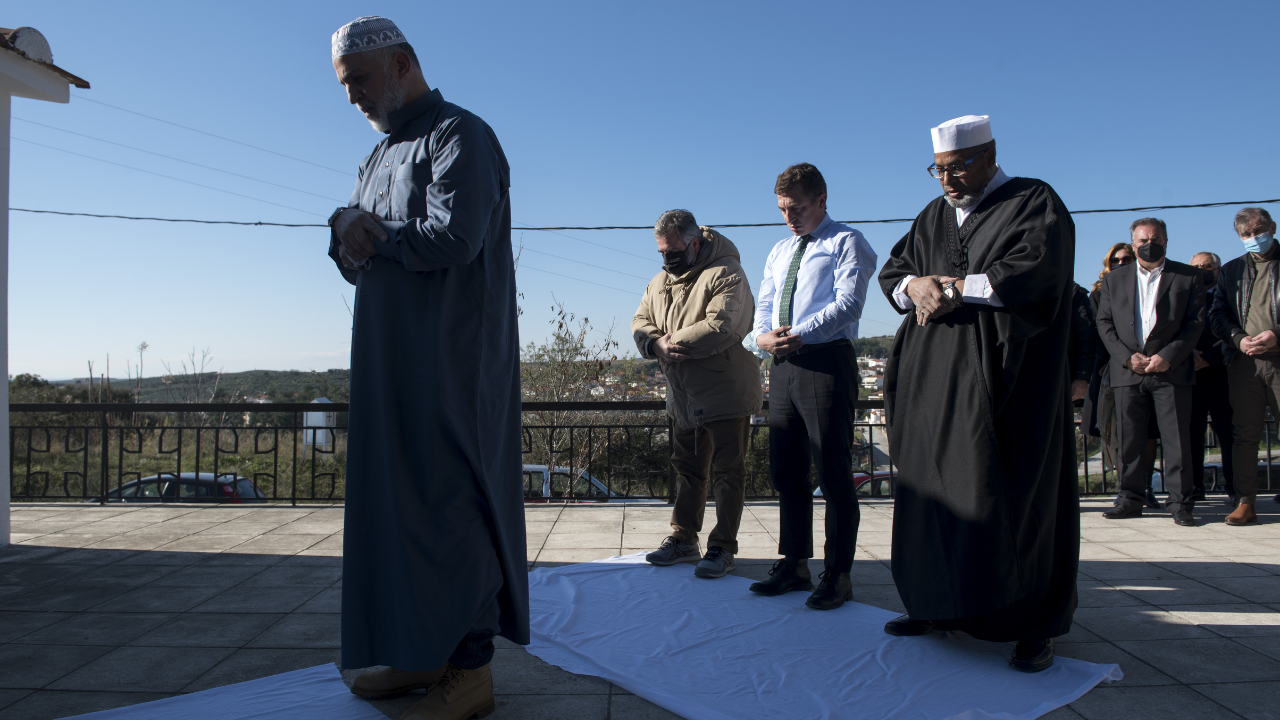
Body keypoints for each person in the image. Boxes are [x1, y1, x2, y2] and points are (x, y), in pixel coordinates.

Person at [326, 17, 526, 720]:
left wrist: (364, 232)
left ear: (403, 63)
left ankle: (469, 671)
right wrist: (341, 229)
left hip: (453, 363)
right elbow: (364, 254)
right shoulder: (379, 155)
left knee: (450, 506)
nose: (352, 98)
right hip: (393, 364)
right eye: (344, 85)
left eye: (359, 81)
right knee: (402, 508)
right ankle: (422, 652)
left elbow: (456, 237)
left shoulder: (458, 134)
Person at [877, 115, 1079, 672]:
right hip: (931, 384)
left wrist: (956, 287)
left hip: (1004, 384)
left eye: (958, 167)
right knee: (931, 495)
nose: (946, 180)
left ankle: (1030, 626)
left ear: (989, 155)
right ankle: (936, 605)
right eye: (937, 170)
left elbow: (1036, 272)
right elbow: (896, 273)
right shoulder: (932, 215)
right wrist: (915, 285)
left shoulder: (1033, 202)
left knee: (1009, 498)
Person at [749, 163, 877, 611]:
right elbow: (764, 304)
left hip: (825, 362)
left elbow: (849, 304)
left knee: (834, 474)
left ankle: (838, 574)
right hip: (782, 365)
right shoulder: (779, 250)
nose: (789, 217)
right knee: (787, 471)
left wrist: (801, 333)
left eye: (797, 208)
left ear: (822, 200)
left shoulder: (847, 242)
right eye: (783, 209)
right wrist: (762, 337)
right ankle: (794, 564)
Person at [632, 210, 762, 579]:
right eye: (661, 251)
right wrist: (654, 343)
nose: (666, 258)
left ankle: (722, 547)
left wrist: (668, 345)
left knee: (727, 472)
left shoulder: (727, 274)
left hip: (726, 392)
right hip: (684, 396)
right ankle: (684, 537)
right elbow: (640, 321)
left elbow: (721, 327)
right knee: (687, 469)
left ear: (693, 243)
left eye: (672, 250)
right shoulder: (659, 282)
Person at [1096, 218, 1205, 526]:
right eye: (1142, 240)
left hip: (1170, 370)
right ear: (1133, 244)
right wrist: (1127, 358)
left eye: (1155, 238)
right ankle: (1130, 498)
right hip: (1128, 371)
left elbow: (1195, 322)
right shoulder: (1114, 280)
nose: (1149, 244)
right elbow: (1104, 323)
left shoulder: (1188, 276)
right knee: (1129, 440)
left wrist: (1167, 356)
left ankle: (1179, 503)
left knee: (1176, 441)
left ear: (1166, 241)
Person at [1210, 207, 1280, 525]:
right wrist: (1238, 339)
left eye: (1259, 230)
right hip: (1244, 365)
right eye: (1247, 234)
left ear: (1273, 227)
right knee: (1244, 436)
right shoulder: (1232, 270)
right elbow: (1217, 314)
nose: (1255, 238)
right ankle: (1245, 502)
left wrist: (1276, 335)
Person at [1086, 244, 1164, 508]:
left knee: (1149, 431)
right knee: (1120, 432)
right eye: (1115, 260)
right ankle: (1128, 490)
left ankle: (1145, 486)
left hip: (1151, 366)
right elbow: (1100, 329)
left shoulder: (1151, 285)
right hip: (1114, 370)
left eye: (1127, 259)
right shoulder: (1098, 293)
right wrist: (1125, 357)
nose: (1121, 263)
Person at [1188, 251, 1234, 502]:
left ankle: (1235, 487)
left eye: (1208, 266)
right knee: (1191, 436)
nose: (1202, 270)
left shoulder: (1228, 296)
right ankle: (1194, 487)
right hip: (1190, 376)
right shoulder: (1183, 295)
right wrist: (1187, 353)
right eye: (1196, 266)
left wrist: (1209, 358)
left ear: (1218, 270)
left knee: (1228, 435)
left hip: (1221, 374)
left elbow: (1234, 330)